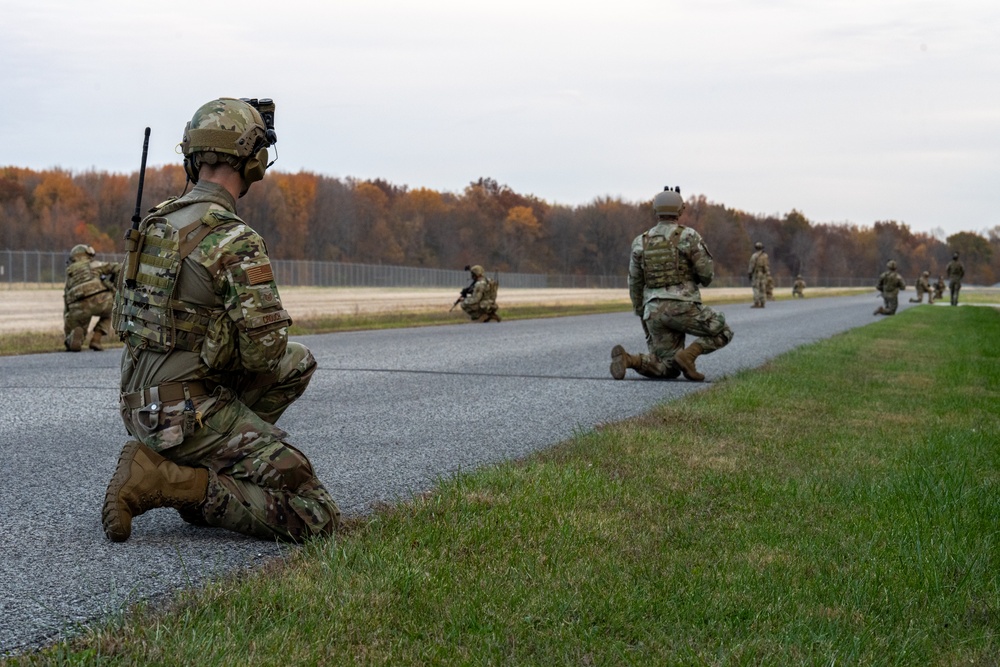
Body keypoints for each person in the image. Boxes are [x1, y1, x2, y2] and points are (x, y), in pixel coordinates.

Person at [102, 97, 339, 543]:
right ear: (253, 162)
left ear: (192, 158)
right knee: (316, 513)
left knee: (298, 362)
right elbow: (263, 352)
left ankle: (184, 466)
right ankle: (178, 483)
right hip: (185, 415)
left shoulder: (154, 224)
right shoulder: (234, 238)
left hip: (138, 407)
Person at [610, 186, 733, 382]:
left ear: (655, 210)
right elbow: (707, 275)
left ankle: (629, 360)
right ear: (680, 210)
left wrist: (640, 310)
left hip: (653, 311)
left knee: (668, 368)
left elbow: (634, 281)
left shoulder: (640, 241)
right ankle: (689, 355)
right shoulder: (689, 236)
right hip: (683, 308)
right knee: (724, 330)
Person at [63, 244, 120, 351]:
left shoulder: (70, 272)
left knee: (78, 328)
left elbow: (66, 297)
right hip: (101, 300)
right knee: (111, 311)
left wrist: (68, 318)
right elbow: (119, 268)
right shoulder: (95, 265)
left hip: (78, 305)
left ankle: (74, 339)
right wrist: (115, 286)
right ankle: (96, 338)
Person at [747, 241, 769, 308]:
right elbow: (767, 265)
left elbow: (751, 266)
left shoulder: (754, 256)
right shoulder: (765, 256)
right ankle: (763, 302)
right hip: (763, 273)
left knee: (756, 288)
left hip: (756, 274)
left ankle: (757, 302)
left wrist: (750, 273)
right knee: (763, 288)